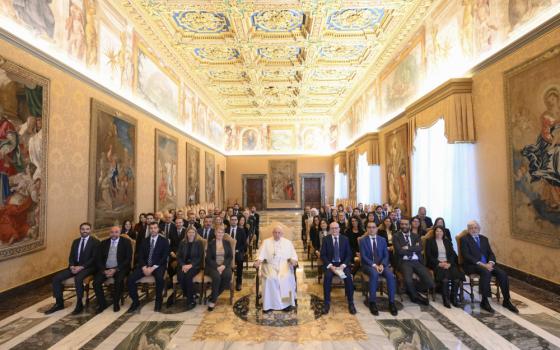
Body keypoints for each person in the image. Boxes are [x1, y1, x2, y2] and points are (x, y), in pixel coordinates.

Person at [460, 221, 518, 313]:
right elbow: (466, 255)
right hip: (472, 265)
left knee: (502, 274)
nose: (474, 230)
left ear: (479, 229)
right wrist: (483, 265)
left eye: (475, 228)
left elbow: (490, 253)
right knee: (486, 272)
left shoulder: (484, 239)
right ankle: (484, 301)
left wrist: (490, 263)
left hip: (487, 264)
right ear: (468, 230)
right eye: (471, 228)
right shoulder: (464, 239)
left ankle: (506, 300)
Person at [45, 223, 100, 315]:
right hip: (74, 266)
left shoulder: (95, 242)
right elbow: (71, 256)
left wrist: (81, 267)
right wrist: (71, 266)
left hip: (88, 267)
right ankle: (59, 303)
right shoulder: (75, 241)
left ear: (90, 230)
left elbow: (94, 258)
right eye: (83, 229)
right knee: (56, 278)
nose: (85, 231)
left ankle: (79, 303)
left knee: (78, 278)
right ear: (80, 230)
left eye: (87, 229)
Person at [127, 222, 169, 313]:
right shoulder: (144, 241)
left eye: (155, 228)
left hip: (158, 266)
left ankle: (158, 301)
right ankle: (135, 302)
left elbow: (164, 257)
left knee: (159, 278)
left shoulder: (164, 241)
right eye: (151, 228)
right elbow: (140, 256)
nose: (153, 230)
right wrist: (144, 267)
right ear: (149, 230)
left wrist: (153, 267)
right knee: (130, 279)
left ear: (158, 229)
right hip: (144, 266)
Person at [255, 225, 298, 313]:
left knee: (285, 277)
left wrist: (293, 261)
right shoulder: (266, 242)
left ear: (282, 234)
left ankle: (286, 304)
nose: (277, 234)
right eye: (275, 232)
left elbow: (293, 255)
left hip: (284, 265)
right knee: (271, 278)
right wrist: (258, 261)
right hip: (269, 265)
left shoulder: (288, 242)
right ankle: (269, 304)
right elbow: (260, 254)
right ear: (272, 233)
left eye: (279, 233)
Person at [393, 219, 434, 305]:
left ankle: (411, 290)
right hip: (404, 262)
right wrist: (413, 248)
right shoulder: (396, 236)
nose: (404, 226)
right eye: (402, 224)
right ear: (400, 225)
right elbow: (399, 251)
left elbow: (420, 248)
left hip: (416, 261)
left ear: (410, 225)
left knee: (430, 282)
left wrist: (407, 248)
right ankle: (415, 297)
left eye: (406, 224)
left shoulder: (415, 236)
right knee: (408, 280)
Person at [360, 223, 398, 316]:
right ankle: (372, 302)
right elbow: (364, 257)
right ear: (367, 229)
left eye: (373, 227)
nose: (371, 229)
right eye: (369, 227)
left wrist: (382, 264)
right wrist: (374, 265)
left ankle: (392, 302)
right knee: (374, 274)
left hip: (382, 265)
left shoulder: (382, 240)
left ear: (377, 229)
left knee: (390, 276)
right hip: (368, 265)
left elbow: (386, 255)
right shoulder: (363, 241)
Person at [93, 226, 132, 313]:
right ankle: (102, 303)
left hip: (120, 268)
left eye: (116, 232)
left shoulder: (126, 242)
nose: (114, 234)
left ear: (120, 232)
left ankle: (116, 302)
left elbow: (128, 259)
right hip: (105, 268)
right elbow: (98, 259)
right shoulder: (103, 243)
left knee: (119, 281)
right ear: (109, 233)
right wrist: (104, 270)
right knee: (96, 282)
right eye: (112, 232)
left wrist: (116, 269)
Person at [320, 222, 356, 315]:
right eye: (332, 228)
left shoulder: (345, 239)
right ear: (330, 230)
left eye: (336, 228)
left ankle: (351, 302)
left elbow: (349, 254)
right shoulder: (326, 239)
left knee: (348, 278)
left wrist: (343, 265)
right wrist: (331, 266)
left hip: (342, 265)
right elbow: (323, 255)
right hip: (330, 265)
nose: (334, 230)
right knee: (327, 278)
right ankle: (326, 303)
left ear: (339, 229)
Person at [425, 226, 464, 308]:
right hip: (437, 264)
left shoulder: (447, 242)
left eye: (441, 231)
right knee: (445, 279)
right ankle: (445, 299)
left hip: (448, 263)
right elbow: (429, 256)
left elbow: (452, 255)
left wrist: (449, 263)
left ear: (443, 233)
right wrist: (439, 263)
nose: (439, 233)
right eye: (437, 231)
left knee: (456, 278)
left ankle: (453, 299)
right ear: (434, 232)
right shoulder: (429, 241)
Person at [205, 226, 233, 311]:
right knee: (216, 277)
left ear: (223, 233)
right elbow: (208, 259)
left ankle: (213, 295)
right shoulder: (210, 244)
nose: (220, 234)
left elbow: (230, 256)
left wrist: (223, 265)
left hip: (224, 266)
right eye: (218, 232)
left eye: (221, 232)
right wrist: (217, 267)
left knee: (228, 276)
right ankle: (213, 301)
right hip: (212, 266)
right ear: (215, 233)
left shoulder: (227, 243)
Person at [176, 227, 204, 311]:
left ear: (195, 233)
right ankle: (190, 294)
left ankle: (190, 300)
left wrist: (191, 265)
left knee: (188, 277)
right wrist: (183, 265)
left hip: (195, 266)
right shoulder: (182, 242)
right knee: (180, 277)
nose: (191, 234)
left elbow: (200, 257)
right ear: (186, 233)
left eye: (193, 232)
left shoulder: (199, 243)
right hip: (183, 265)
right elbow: (179, 256)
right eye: (189, 232)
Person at [226, 215, 247, 291]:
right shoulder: (226, 230)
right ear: (230, 221)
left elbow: (244, 244)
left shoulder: (241, 231)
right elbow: (223, 242)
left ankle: (239, 282)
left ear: (237, 221)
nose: (233, 221)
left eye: (235, 220)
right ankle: (226, 280)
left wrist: (237, 250)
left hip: (238, 251)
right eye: (232, 220)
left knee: (240, 259)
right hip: (227, 251)